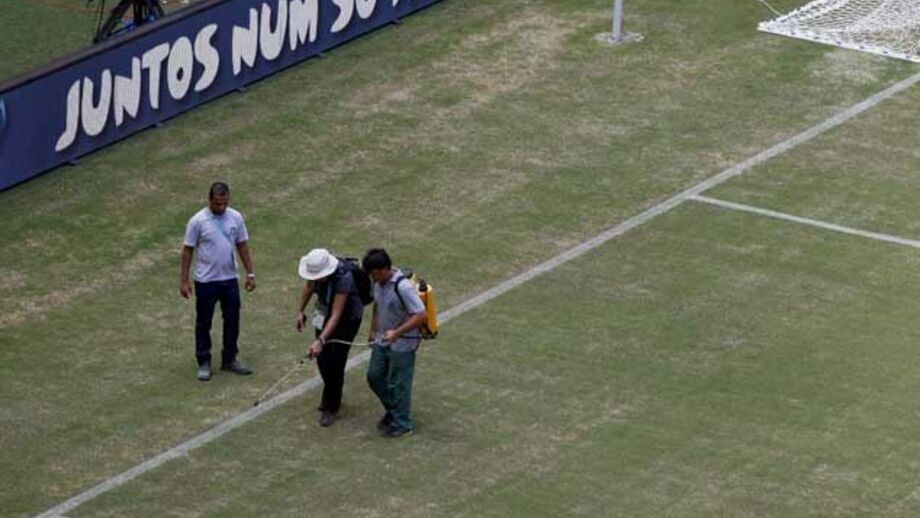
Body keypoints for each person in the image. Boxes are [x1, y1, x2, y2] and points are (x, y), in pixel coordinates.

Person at [180, 182, 256, 382]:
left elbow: (242, 244)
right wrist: (184, 280)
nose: (221, 207)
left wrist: (250, 273)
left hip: (230, 278)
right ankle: (203, 361)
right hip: (206, 281)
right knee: (204, 322)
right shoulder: (198, 221)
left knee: (233, 320)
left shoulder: (236, 218)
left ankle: (230, 358)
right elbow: (188, 249)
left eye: (224, 203)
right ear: (210, 200)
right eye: (217, 204)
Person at [362, 248, 427, 438]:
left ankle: (403, 424)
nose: (372, 278)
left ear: (383, 269)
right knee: (374, 376)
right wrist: (373, 331)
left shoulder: (403, 287)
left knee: (400, 383)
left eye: (373, 273)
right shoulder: (378, 283)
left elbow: (420, 315)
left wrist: (397, 333)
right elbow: (377, 306)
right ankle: (394, 409)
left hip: (404, 343)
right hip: (383, 338)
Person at [296, 248, 365, 427]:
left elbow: (336, 314)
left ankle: (331, 406)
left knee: (336, 361)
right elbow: (309, 287)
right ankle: (330, 394)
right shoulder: (314, 277)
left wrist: (320, 341)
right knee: (322, 359)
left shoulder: (344, 279)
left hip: (347, 319)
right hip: (324, 312)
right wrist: (300, 311)